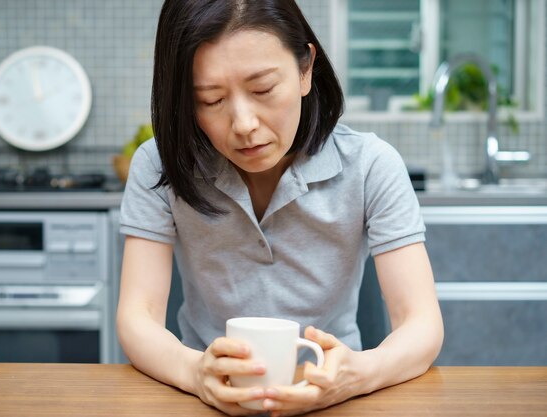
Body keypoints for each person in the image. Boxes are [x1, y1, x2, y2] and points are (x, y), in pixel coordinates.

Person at [116, 1, 444, 416]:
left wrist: (357, 374)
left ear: (306, 69)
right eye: (211, 99)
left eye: (263, 89)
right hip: (204, 400)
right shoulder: (160, 165)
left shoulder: (371, 165)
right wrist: (196, 372)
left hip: (336, 398)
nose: (243, 124)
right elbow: (137, 316)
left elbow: (421, 323)